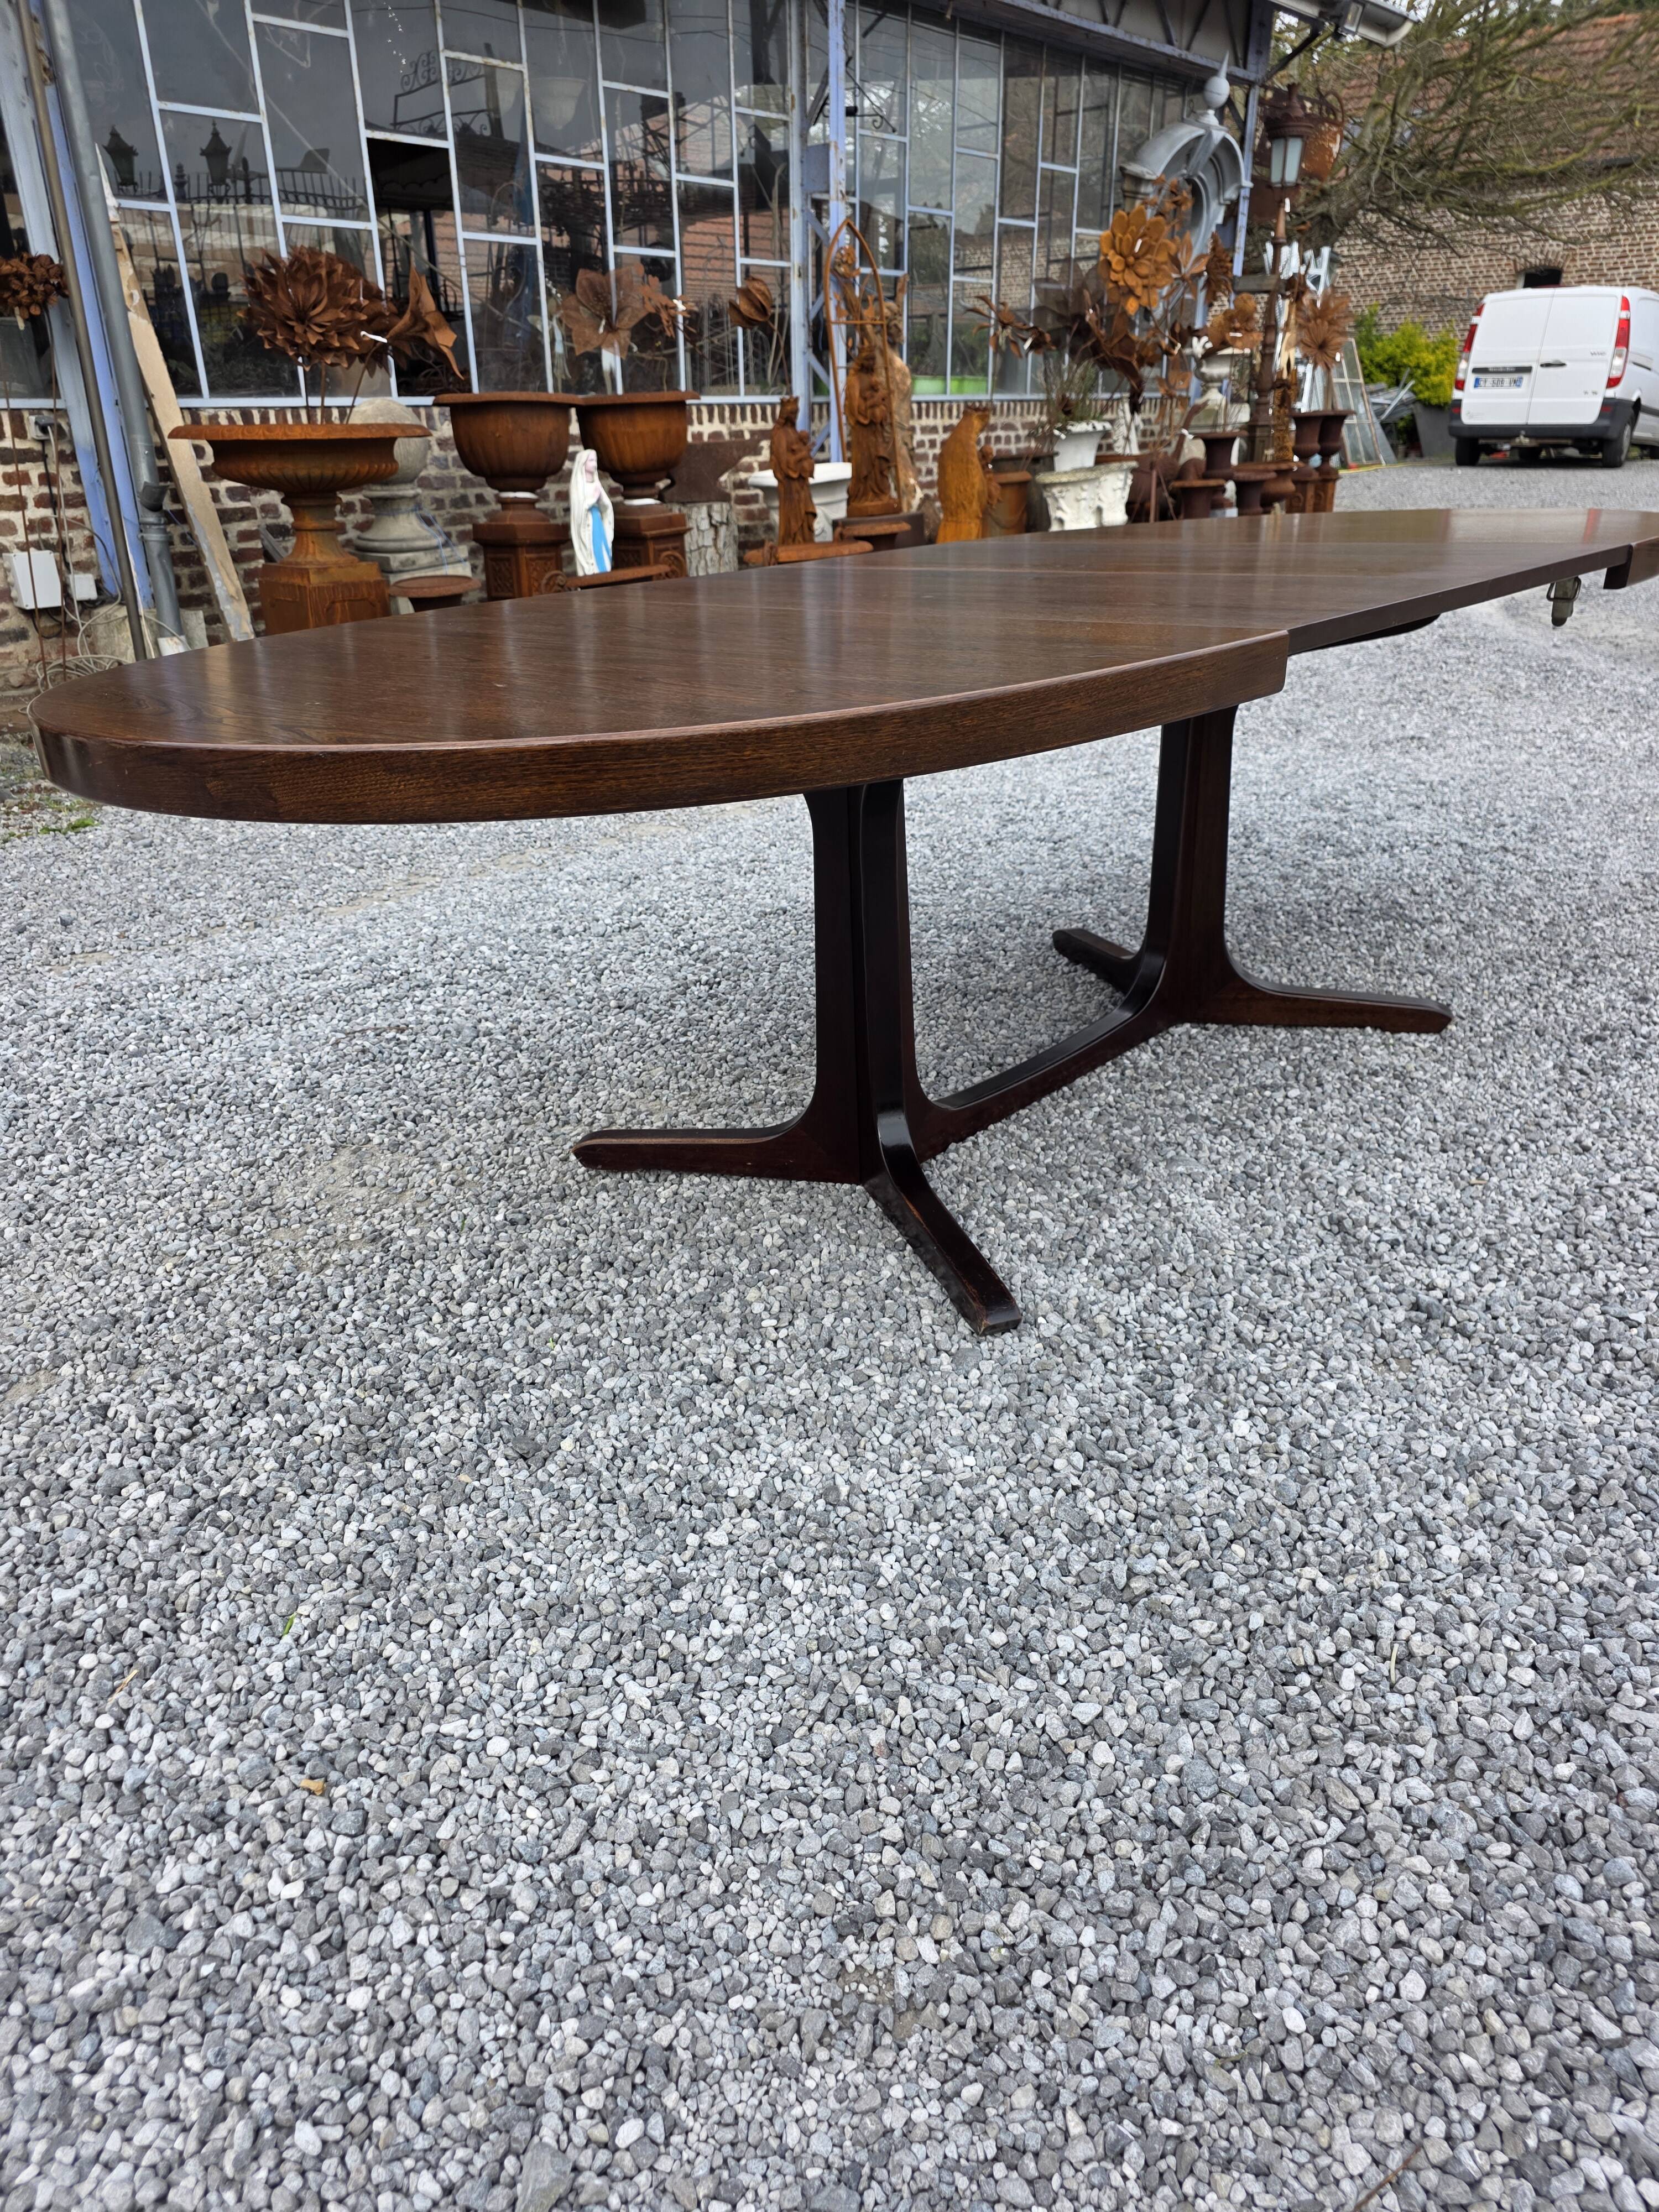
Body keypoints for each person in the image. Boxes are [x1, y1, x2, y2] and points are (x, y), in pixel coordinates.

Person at [770, 396, 817, 548]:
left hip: (801, 483)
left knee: (804, 515)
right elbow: (785, 463)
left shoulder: (793, 432)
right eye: (793, 413)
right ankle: (793, 542)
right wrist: (805, 454)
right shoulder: (780, 435)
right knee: (794, 519)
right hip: (790, 485)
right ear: (786, 415)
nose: (795, 417)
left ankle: (804, 540)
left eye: (797, 413)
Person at [568, 445, 613, 575]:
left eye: (596, 461)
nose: (595, 464)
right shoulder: (578, 487)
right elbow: (578, 510)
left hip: (597, 521)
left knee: (601, 549)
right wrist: (593, 500)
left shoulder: (596, 484)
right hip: (587, 525)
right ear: (583, 463)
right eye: (591, 461)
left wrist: (602, 501)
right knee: (591, 550)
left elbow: (607, 507)